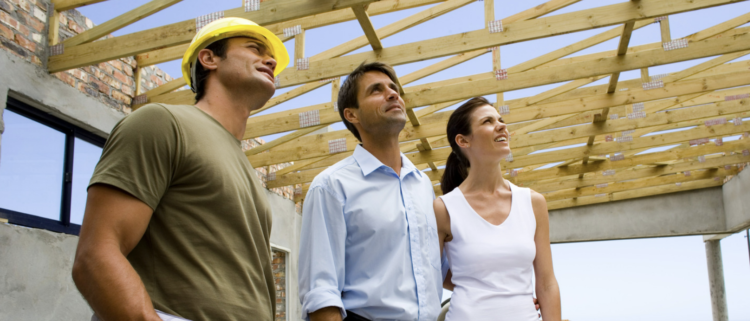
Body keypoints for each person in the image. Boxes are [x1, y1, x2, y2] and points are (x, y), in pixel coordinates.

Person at [71, 17, 290, 321]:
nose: (270, 60)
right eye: (254, 48)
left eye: (272, 57)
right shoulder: (162, 123)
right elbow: (96, 256)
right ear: (209, 58)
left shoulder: (245, 168)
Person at [298, 62, 444, 321]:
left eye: (393, 88)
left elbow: (439, 270)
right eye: (376, 90)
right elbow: (321, 294)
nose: (392, 94)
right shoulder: (331, 186)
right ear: (351, 115)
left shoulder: (422, 185)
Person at [434, 97, 561, 320]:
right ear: (463, 141)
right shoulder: (444, 209)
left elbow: (547, 283)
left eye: (501, 120)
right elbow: (430, 275)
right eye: (488, 121)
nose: (501, 125)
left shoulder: (533, 203)